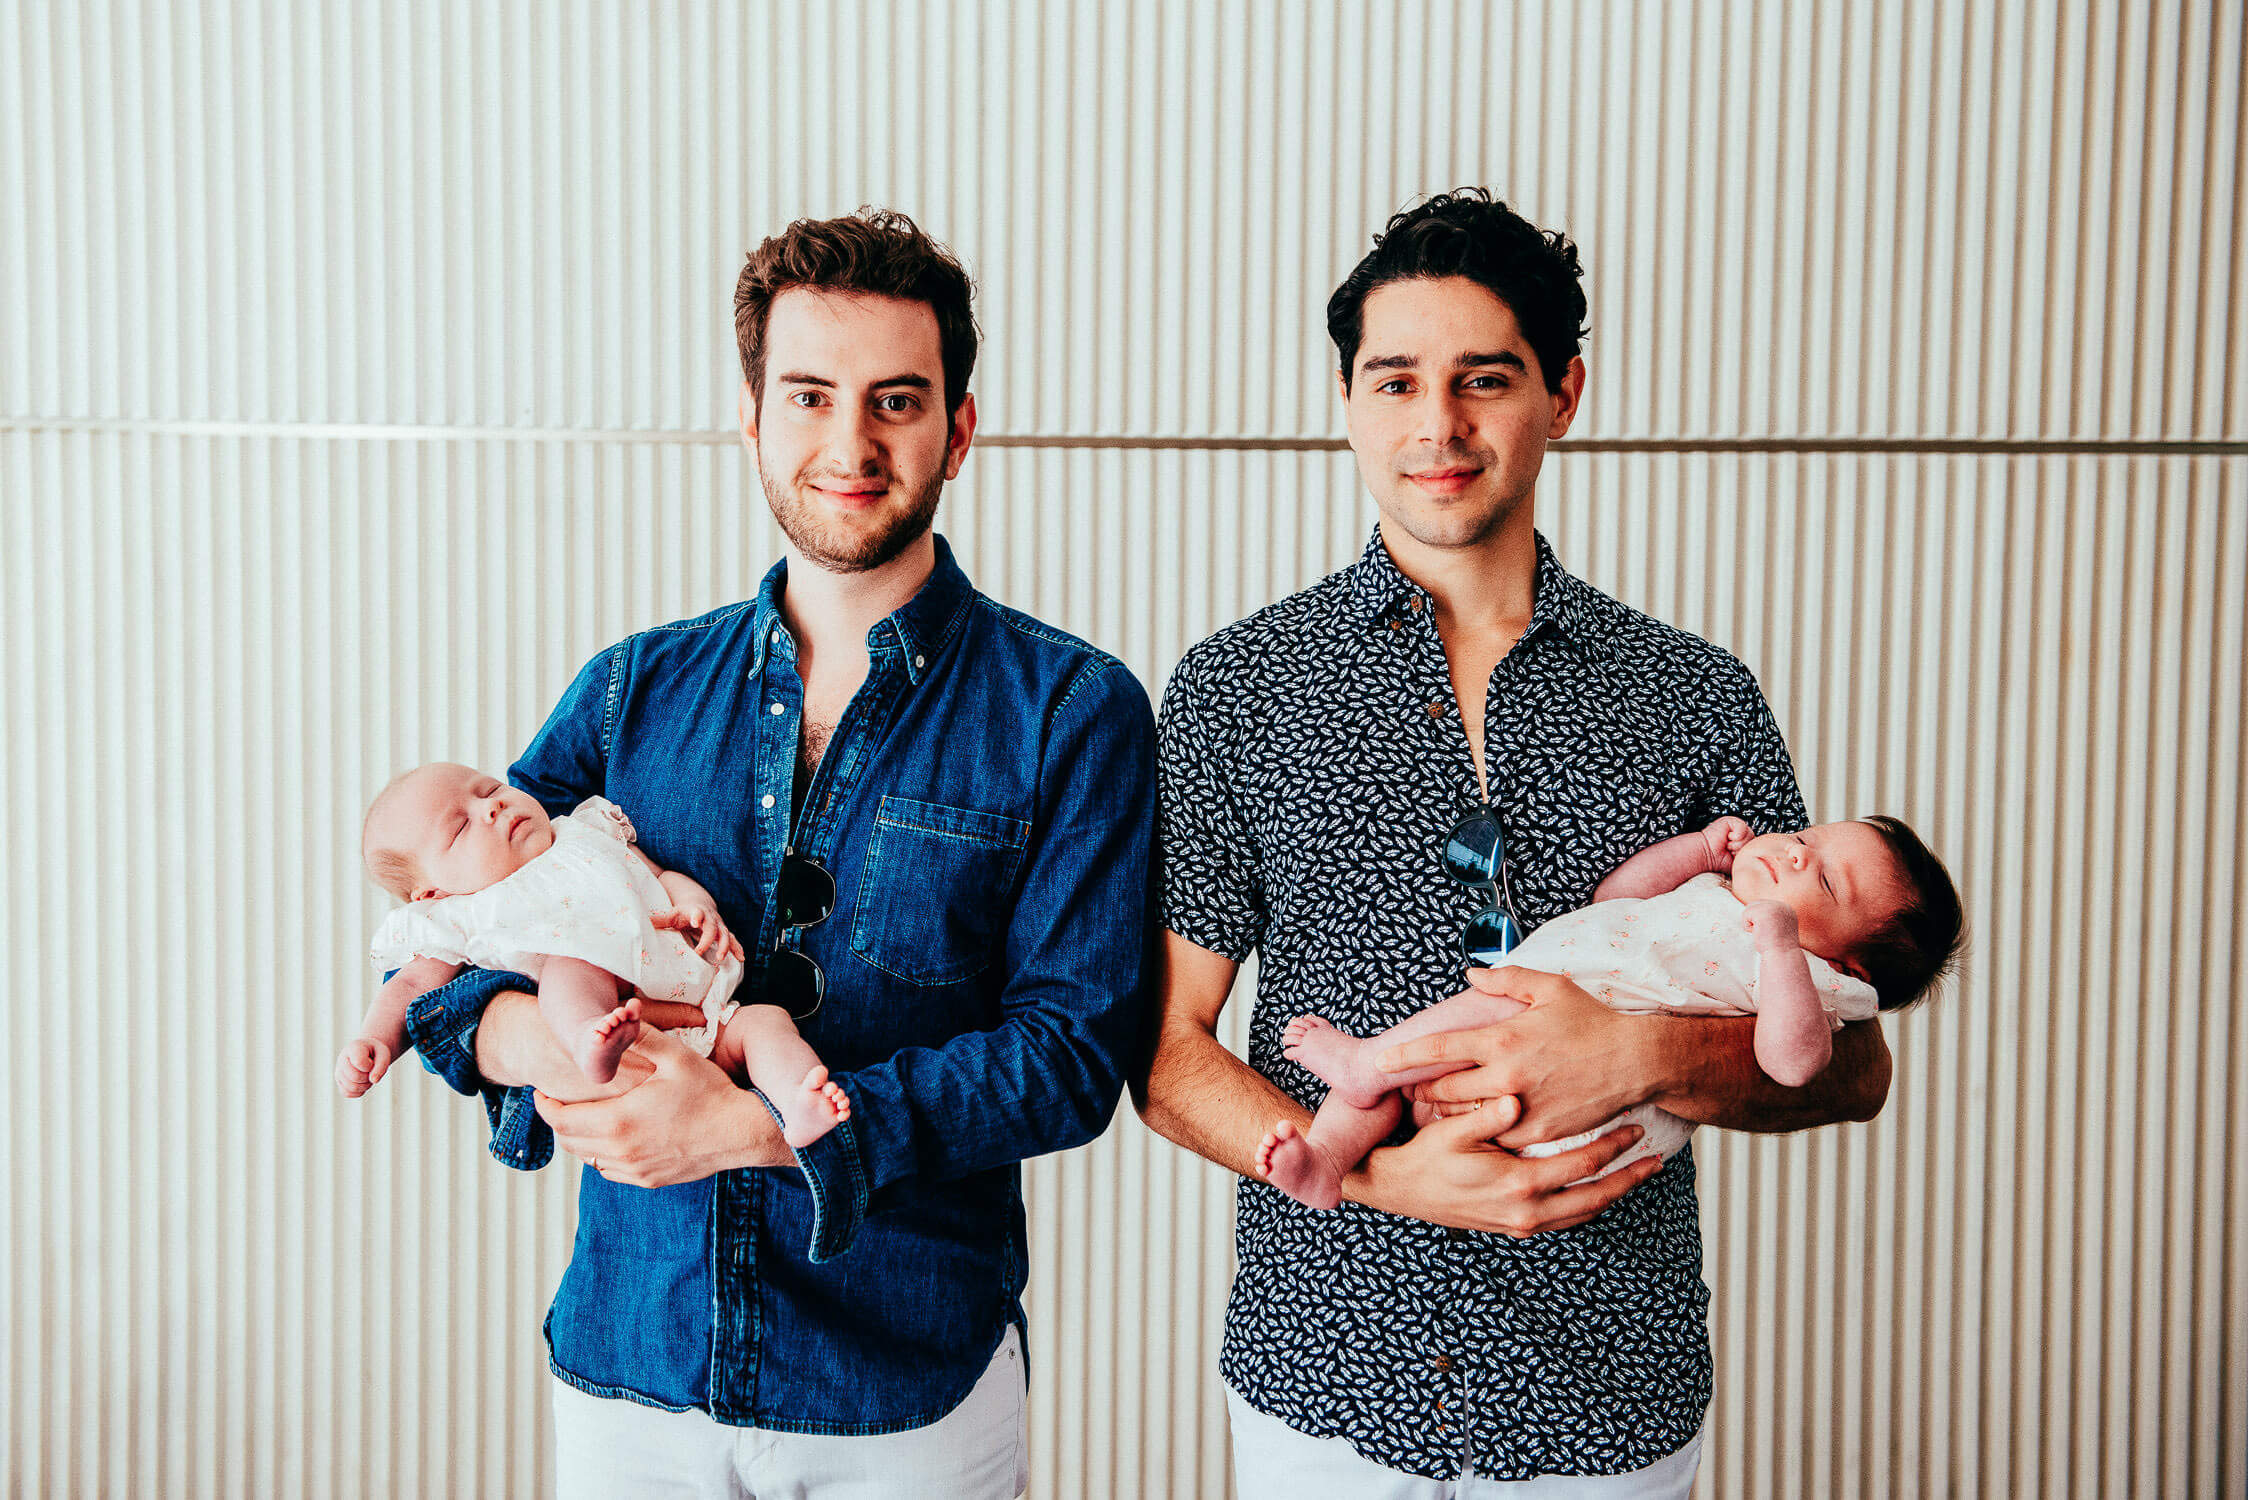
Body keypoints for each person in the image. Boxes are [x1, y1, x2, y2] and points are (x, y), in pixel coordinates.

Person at [1135, 189, 1894, 1497]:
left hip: (1611, 1402)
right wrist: (1384, 1181)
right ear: (1349, 400)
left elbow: (1851, 1063)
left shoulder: (1694, 695)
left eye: (1485, 379)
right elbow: (1161, 1055)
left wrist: (1639, 1051)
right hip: (1327, 1385)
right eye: (1397, 381)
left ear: (1565, 393)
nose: (1437, 425)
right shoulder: (1237, 689)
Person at [395, 209, 1154, 1499]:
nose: (849, 444)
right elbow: (457, 946)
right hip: (630, 1370)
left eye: (896, 401)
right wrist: (537, 1045)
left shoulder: (1072, 711)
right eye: (807, 396)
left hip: (909, 1393)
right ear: (750, 417)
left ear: (959, 429)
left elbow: (1070, 1060)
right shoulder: (628, 691)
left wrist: (753, 1129)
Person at [1260, 813, 1963, 1208]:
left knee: (1466, 1014)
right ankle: (1328, 1161)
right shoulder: (1720, 889)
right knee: (1412, 1078)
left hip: (1585, 1127)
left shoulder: (1804, 974)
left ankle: (1363, 1061)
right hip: (1343, 1331)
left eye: (1827, 882)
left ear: (1848, 968)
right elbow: (1619, 898)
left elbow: (1801, 1063)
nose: (1795, 856)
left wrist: (1779, 953)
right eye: (1806, 840)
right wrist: (1696, 850)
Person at [338, 763, 852, 1149]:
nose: (490, 808)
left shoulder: (587, 829)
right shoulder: (464, 913)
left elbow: (656, 875)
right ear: (431, 895)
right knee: (571, 965)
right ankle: (591, 1038)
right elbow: (410, 986)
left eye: (489, 789)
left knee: (767, 1023)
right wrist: (374, 1039)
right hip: (632, 1038)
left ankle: (799, 1102)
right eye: (459, 829)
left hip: (715, 1014)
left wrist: (696, 903)